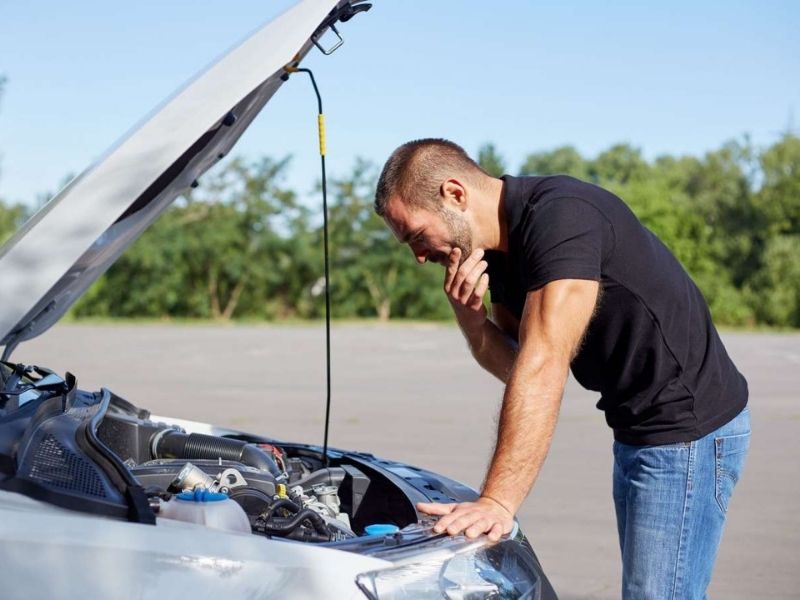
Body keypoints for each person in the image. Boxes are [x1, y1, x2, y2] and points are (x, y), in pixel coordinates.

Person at [374, 138, 750, 598]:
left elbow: (544, 364)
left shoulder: (561, 218)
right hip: (637, 427)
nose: (417, 255)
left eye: (415, 235)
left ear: (455, 193)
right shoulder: (497, 251)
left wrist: (497, 501)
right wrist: (472, 323)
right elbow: (517, 363)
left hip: (686, 430)